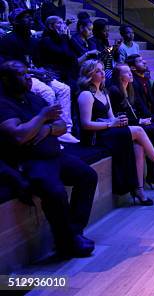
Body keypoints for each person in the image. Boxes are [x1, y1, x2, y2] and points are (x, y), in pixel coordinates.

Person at [0, 60, 98, 258]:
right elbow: (19, 136)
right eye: (21, 74)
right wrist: (43, 117)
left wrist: (46, 129)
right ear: (6, 79)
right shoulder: (3, 104)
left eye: (28, 73)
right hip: (30, 162)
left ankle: (74, 232)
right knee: (55, 192)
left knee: (88, 176)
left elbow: (61, 125)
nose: (28, 77)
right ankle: (66, 243)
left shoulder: (34, 98)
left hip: (55, 156)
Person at [78, 60, 154, 205]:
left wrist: (118, 121)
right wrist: (111, 124)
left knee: (138, 147)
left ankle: (139, 191)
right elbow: (85, 125)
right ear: (89, 75)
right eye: (98, 71)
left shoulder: (104, 92)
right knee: (139, 130)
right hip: (95, 137)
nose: (103, 73)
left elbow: (111, 118)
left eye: (102, 70)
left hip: (108, 132)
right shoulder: (86, 95)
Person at [0, 9, 79, 143]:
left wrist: (44, 71)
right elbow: (9, 67)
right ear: (15, 21)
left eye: (31, 17)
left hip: (36, 74)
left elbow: (38, 62)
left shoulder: (34, 41)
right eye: (26, 17)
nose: (30, 19)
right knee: (47, 92)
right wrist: (36, 72)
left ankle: (66, 130)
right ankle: (48, 129)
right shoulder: (7, 40)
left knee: (64, 89)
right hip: (20, 77)